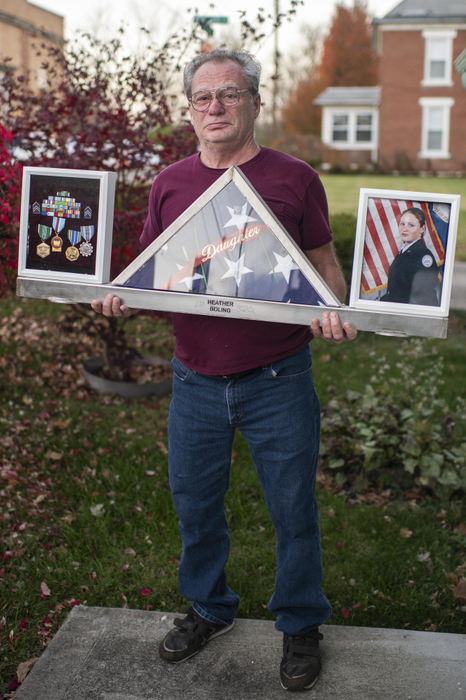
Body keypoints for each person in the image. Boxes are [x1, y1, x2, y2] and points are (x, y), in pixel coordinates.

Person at [92, 49, 357, 692]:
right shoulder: (170, 184)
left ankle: (298, 624)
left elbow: (323, 260)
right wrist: (120, 293)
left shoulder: (295, 178)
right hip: (194, 380)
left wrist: (335, 308)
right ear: (188, 111)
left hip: (278, 379)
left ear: (255, 104)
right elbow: (159, 269)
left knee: (293, 510)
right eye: (202, 97)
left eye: (229, 95)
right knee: (196, 507)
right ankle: (209, 607)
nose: (214, 107)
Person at [380, 207, 441, 305]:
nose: (405, 229)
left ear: (422, 229)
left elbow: (423, 297)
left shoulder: (423, 255)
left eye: (411, 225)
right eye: (402, 224)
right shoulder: (405, 251)